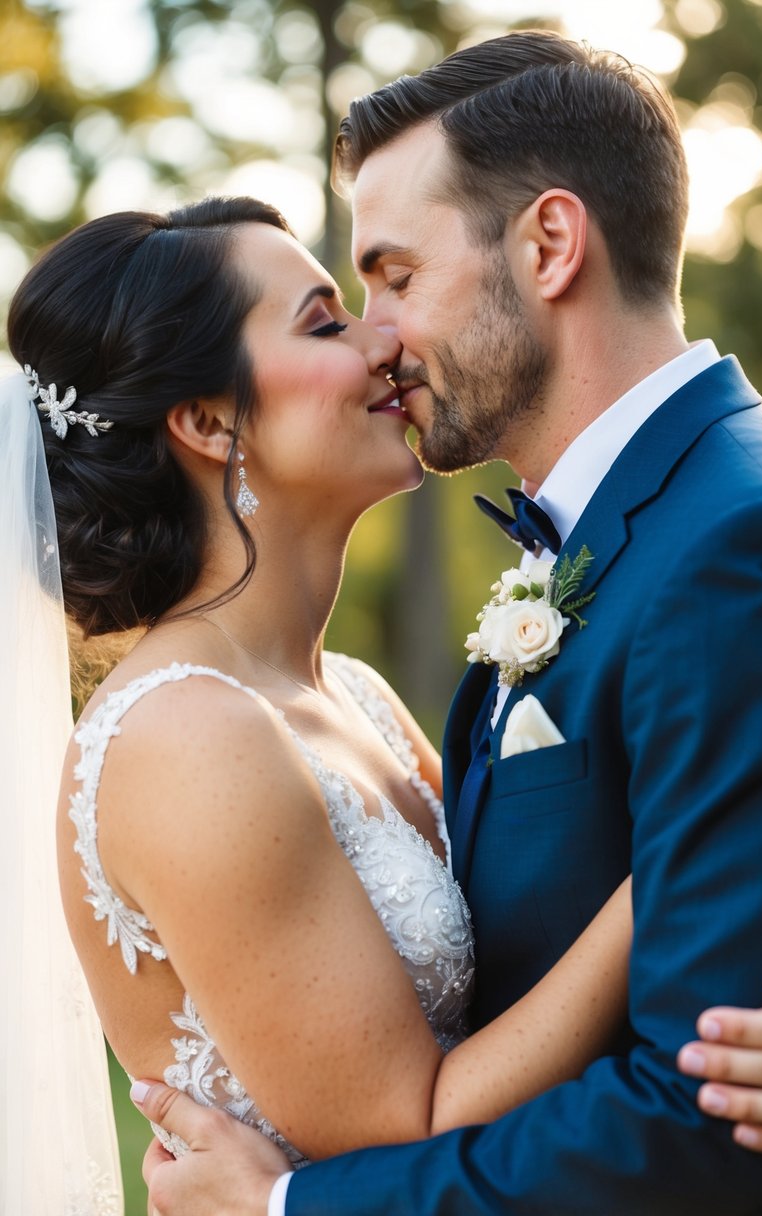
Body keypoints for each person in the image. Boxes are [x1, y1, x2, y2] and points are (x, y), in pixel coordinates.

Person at [134, 29, 762, 1216]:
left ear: (550, 245)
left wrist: (287, 1209)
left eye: (395, 277)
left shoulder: (741, 546)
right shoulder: (628, 536)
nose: (379, 339)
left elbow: (704, 1119)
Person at [5, 193, 656, 1200]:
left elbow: (531, 957)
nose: (383, 338)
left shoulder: (349, 692)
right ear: (212, 423)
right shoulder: (188, 734)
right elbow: (409, 1124)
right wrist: (687, 858)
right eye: (325, 321)